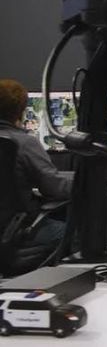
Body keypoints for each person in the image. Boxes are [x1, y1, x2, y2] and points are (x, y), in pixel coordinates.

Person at [0, 79, 72, 262]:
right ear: (21, 110)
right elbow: (53, 188)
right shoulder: (22, 143)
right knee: (76, 233)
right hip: (14, 229)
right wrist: (86, 180)